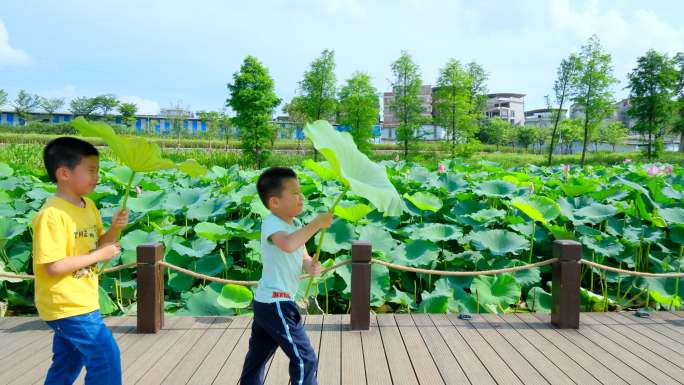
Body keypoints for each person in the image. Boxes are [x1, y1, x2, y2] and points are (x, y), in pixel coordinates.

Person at [33, 137, 128, 385]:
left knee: (67, 362)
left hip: (83, 299)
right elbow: (53, 266)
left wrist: (115, 229)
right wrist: (98, 256)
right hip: (65, 304)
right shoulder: (51, 215)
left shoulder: (89, 206)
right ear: (64, 173)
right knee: (106, 357)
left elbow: (100, 245)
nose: (97, 176)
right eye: (91, 171)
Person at [240, 167, 333, 385]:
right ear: (274, 203)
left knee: (257, 358)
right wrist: (316, 224)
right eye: (294, 193)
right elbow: (289, 244)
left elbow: (302, 254)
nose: (301, 197)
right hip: (277, 303)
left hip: (268, 302)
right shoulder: (272, 224)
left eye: (300, 192)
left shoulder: (295, 225)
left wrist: (310, 265)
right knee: (305, 359)